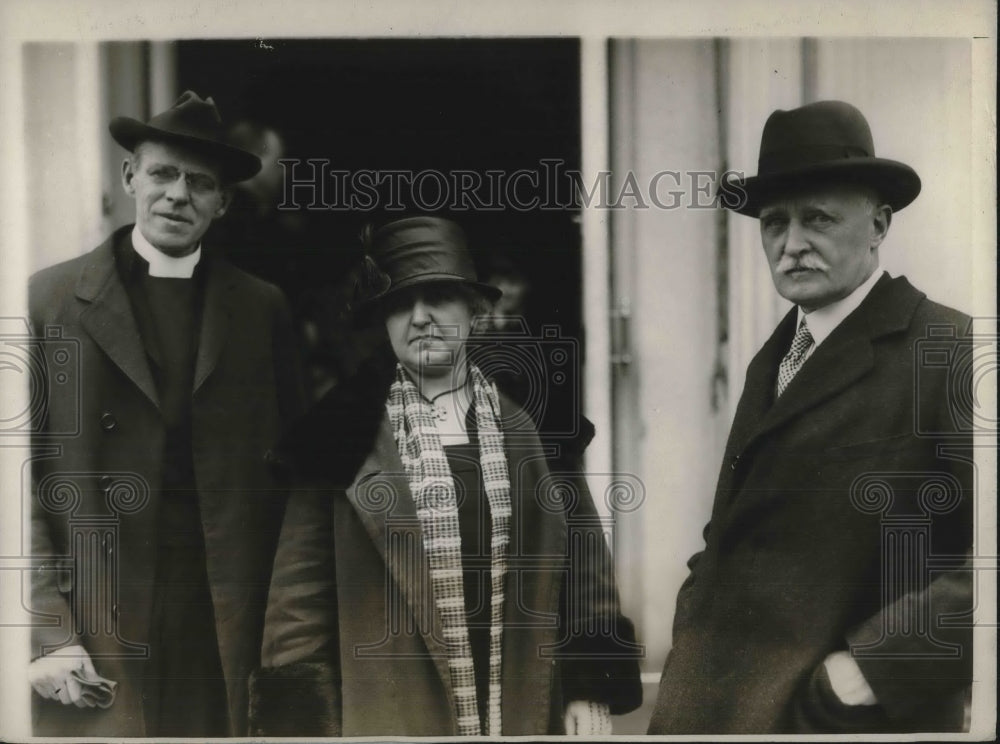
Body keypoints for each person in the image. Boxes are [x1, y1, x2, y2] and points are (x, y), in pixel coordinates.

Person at [648, 100, 974, 734]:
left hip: (843, 718)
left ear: (879, 224)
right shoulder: (772, 361)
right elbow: (732, 537)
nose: (791, 244)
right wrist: (690, 633)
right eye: (774, 223)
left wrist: (873, 671)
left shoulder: (950, 350)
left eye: (818, 219)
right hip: (719, 712)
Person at [249, 216, 642, 736]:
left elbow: (585, 563)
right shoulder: (336, 438)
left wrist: (590, 688)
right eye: (399, 304)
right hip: (388, 713)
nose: (419, 317)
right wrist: (304, 725)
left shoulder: (537, 424)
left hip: (522, 699)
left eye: (438, 297)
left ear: (475, 311)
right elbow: (298, 606)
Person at [27, 91, 305, 737]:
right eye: (162, 173)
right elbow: (14, 487)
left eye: (200, 183)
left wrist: (286, 637)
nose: (179, 195)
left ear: (224, 202)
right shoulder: (49, 301)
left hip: (222, 617)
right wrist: (45, 630)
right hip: (95, 616)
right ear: (129, 177)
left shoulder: (262, 310)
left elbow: (296, 487)